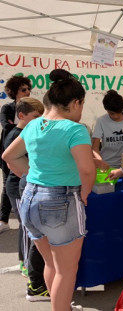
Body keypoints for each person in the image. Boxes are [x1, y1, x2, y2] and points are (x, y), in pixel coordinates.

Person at [2, 69, 95, 311]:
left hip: (30, 198)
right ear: (76, 102)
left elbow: (8, 156)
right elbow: (87, 169)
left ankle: (59, 305)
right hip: (62, 200)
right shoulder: (75, 130)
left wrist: (29, 174)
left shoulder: (33, 126)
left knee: (51, 264)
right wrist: (84, 193)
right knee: (65, 269)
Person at [2, 97, 48, 301]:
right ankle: (30, 271)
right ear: (22, 116)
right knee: (27, 230)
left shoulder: (26, 132)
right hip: (18, 187)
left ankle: (29, 267)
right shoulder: (16, 134)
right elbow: (10, 162)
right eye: (35, 117)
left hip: (23, 185)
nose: (40, 120)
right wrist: (31, 175)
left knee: (28, 229)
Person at [0, 75, 32, 234]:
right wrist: (20, 128)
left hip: (25, 153)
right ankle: (3, 219)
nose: (27, 92)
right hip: (9, 150)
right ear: (14, 92)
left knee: (24, 181)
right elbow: (6, 126)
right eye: (23, 89)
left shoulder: (31, 109)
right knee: (8, 182)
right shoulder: (7, 108)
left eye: (28, 89)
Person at [92, 90, 123, 169]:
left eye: (118, 112)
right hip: (107, 165)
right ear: (107, 110)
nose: (116, 116)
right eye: (112, 113)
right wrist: (100, 162)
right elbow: (95, 147)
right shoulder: (101, 121)